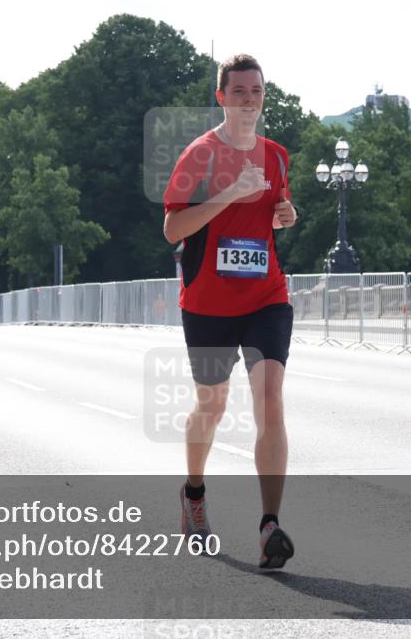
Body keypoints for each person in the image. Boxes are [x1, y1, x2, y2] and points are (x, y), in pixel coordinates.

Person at [163, 54, 298, 569]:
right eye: (238, 91)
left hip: (266, 296)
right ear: (221, 97)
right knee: (212, 406)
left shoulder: (276, 156)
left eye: (256, 91)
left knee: (270, 398)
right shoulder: (199, 156)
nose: (248, 100)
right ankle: (194, 492)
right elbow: (173, 230)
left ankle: (270, 526)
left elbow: (274, 213)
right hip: (209, 303)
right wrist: (229, 193)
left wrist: (286, 214)